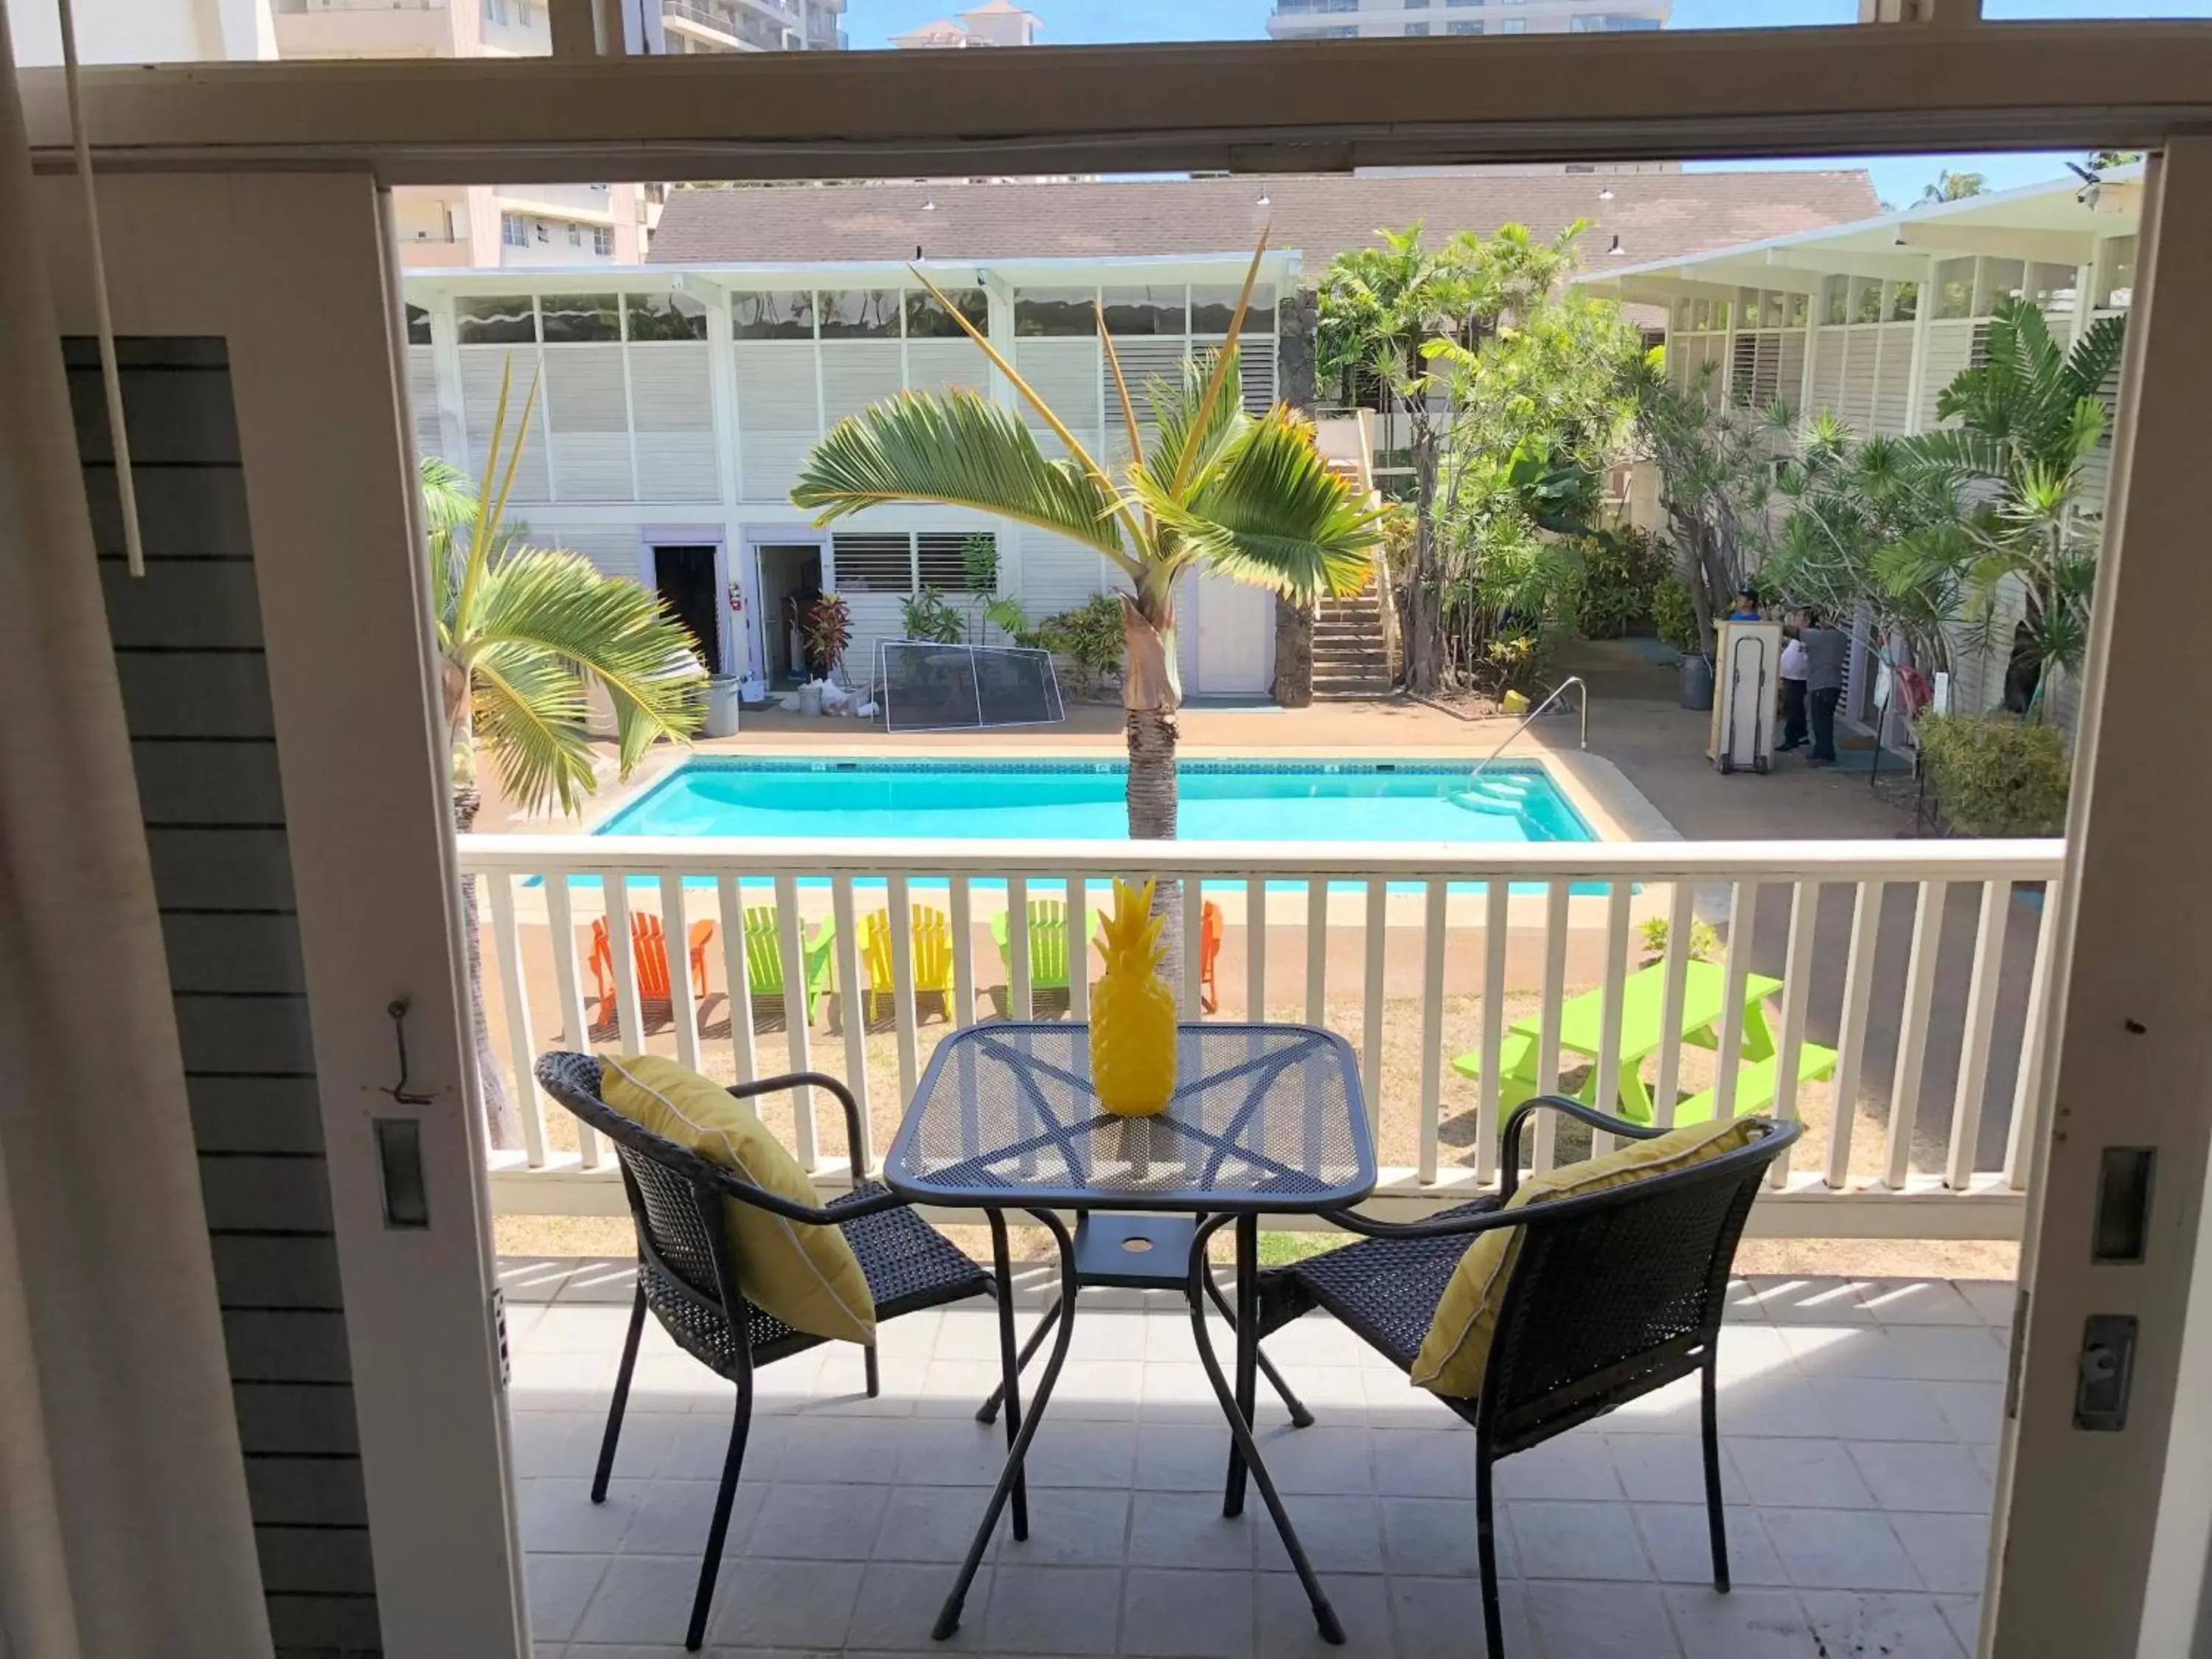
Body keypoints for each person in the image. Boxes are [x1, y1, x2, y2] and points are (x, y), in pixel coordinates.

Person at [1799, 610, 1848, 766]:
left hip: (1823, 685)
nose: (1822, 621)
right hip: (1831, 684)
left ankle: (1826, 755)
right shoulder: (1840, 636)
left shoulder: (1823, 636)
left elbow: (1795, 632)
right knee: (1822, 721)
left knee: (1822, 722)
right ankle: (1820, 750)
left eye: (1825, 618)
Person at [1777, 617, 1810, 751]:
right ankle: (1802, 736)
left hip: (1798, 679)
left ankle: (1791, 739)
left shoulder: (1807, 636)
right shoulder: (1798, 637)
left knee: (1792, 709)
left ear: (1807, 621)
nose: (1796, 621)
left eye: (1799, 618)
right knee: (1795, 708)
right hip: (1790, 677)